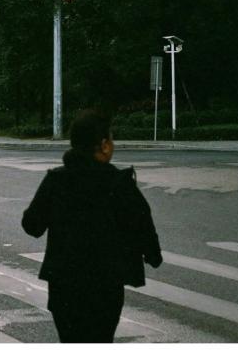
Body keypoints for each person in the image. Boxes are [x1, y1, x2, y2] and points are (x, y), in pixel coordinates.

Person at [22, 109, 162, 343]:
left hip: (64, 284)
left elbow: (31, 225)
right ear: (104, 145)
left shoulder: (57, 181)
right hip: (106, 285)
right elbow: (142, 225)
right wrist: (153, 255)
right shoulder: (119, 184)